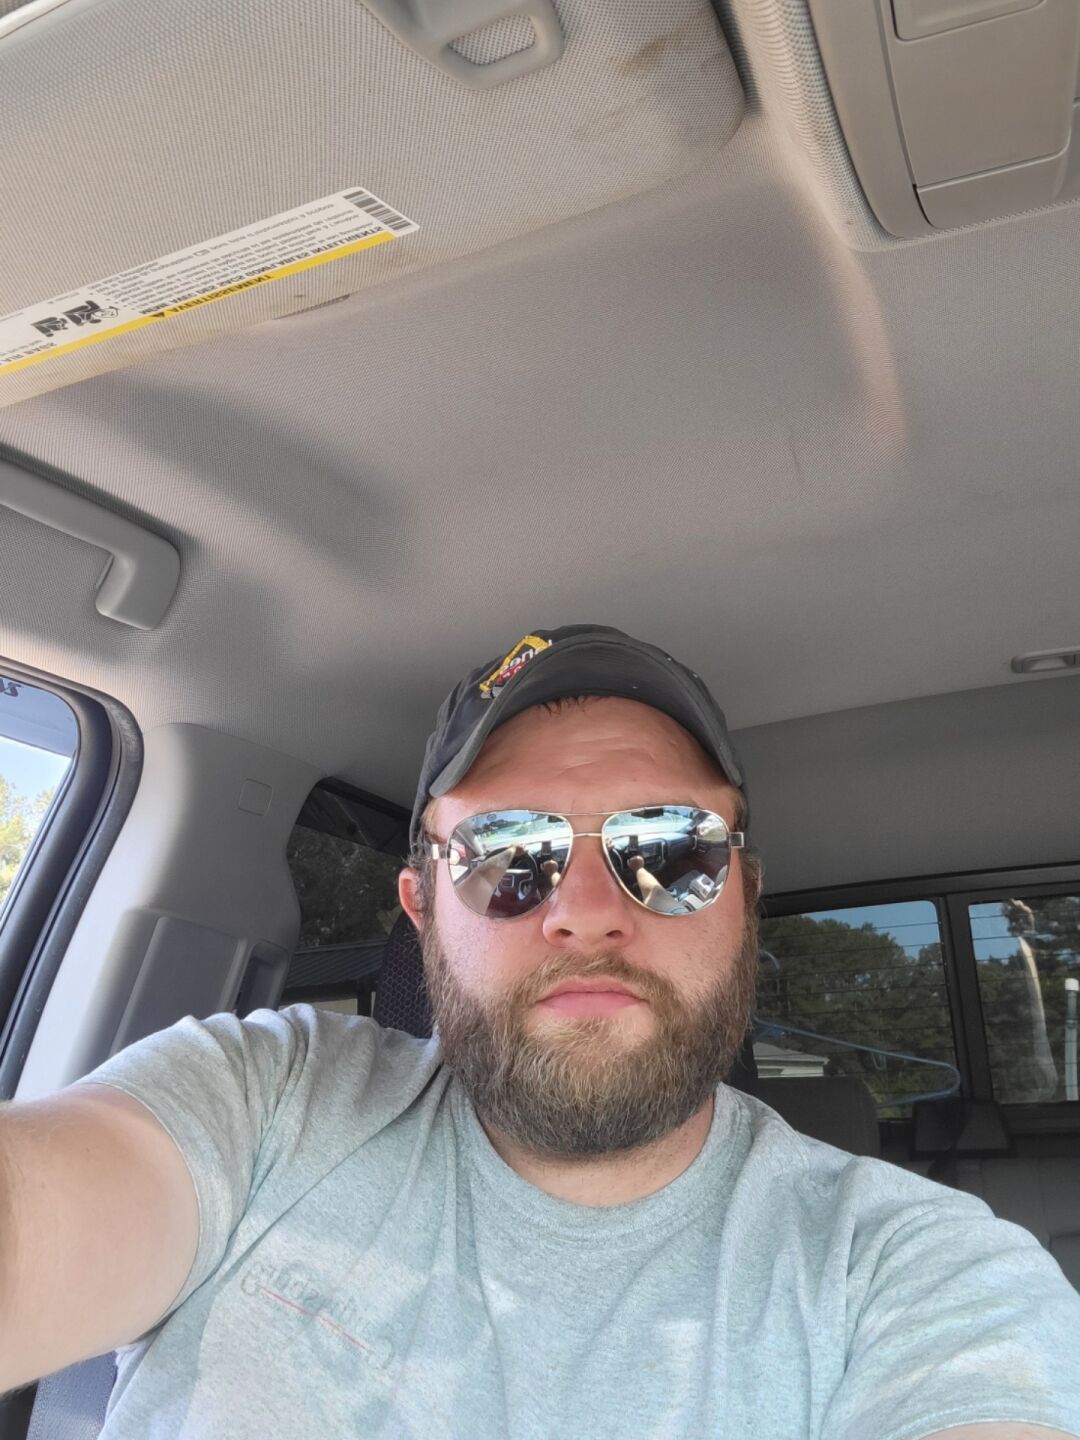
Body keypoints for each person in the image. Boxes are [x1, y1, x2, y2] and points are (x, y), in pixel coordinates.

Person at [2, 623, 1079, 1440]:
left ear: (743, 896)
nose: (588, 911)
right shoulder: (262, 1095)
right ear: (424, 909)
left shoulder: (910, 1266)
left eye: (671, 848)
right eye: (510, 853)